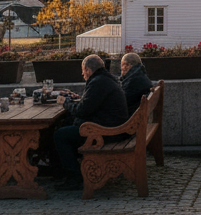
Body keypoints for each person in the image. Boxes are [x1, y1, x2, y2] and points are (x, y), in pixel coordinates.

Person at [53, 54, 128, 190]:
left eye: (83, 71)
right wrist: (80, 99)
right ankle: (60, 170)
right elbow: (91, 104)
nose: (82, 74)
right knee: (65, 124)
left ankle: (74, 176)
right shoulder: (106, 79)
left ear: (88, 70)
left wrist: (66, 103)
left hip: (106, 132)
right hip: (113, 126)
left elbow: (83, 110)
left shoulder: (98, 82)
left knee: (60, 135)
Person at [119, 51, 153, 116]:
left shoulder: (133, 81)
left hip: (129, 119)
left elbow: (122, 101)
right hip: (137, 114)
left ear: (127, 65)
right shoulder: (139, 75)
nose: (121, 68)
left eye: (122, 65)